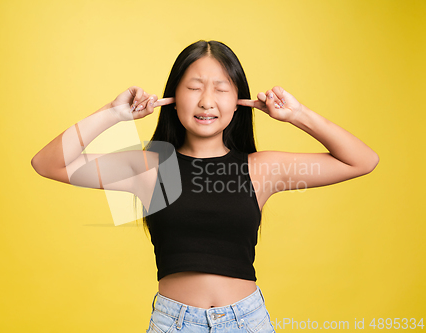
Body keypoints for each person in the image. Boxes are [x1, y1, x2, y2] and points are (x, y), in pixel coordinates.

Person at [31, 40, 379, 333]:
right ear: (173, 97)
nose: (206, 101)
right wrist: (112, 113)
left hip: (247, 322)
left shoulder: (261, 169)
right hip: (174, 323)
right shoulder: (150, 168)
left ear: (238, 100)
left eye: (221, 89)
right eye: (194, 88)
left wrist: (296, 114)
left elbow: (361, 160)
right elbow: (48, 164)